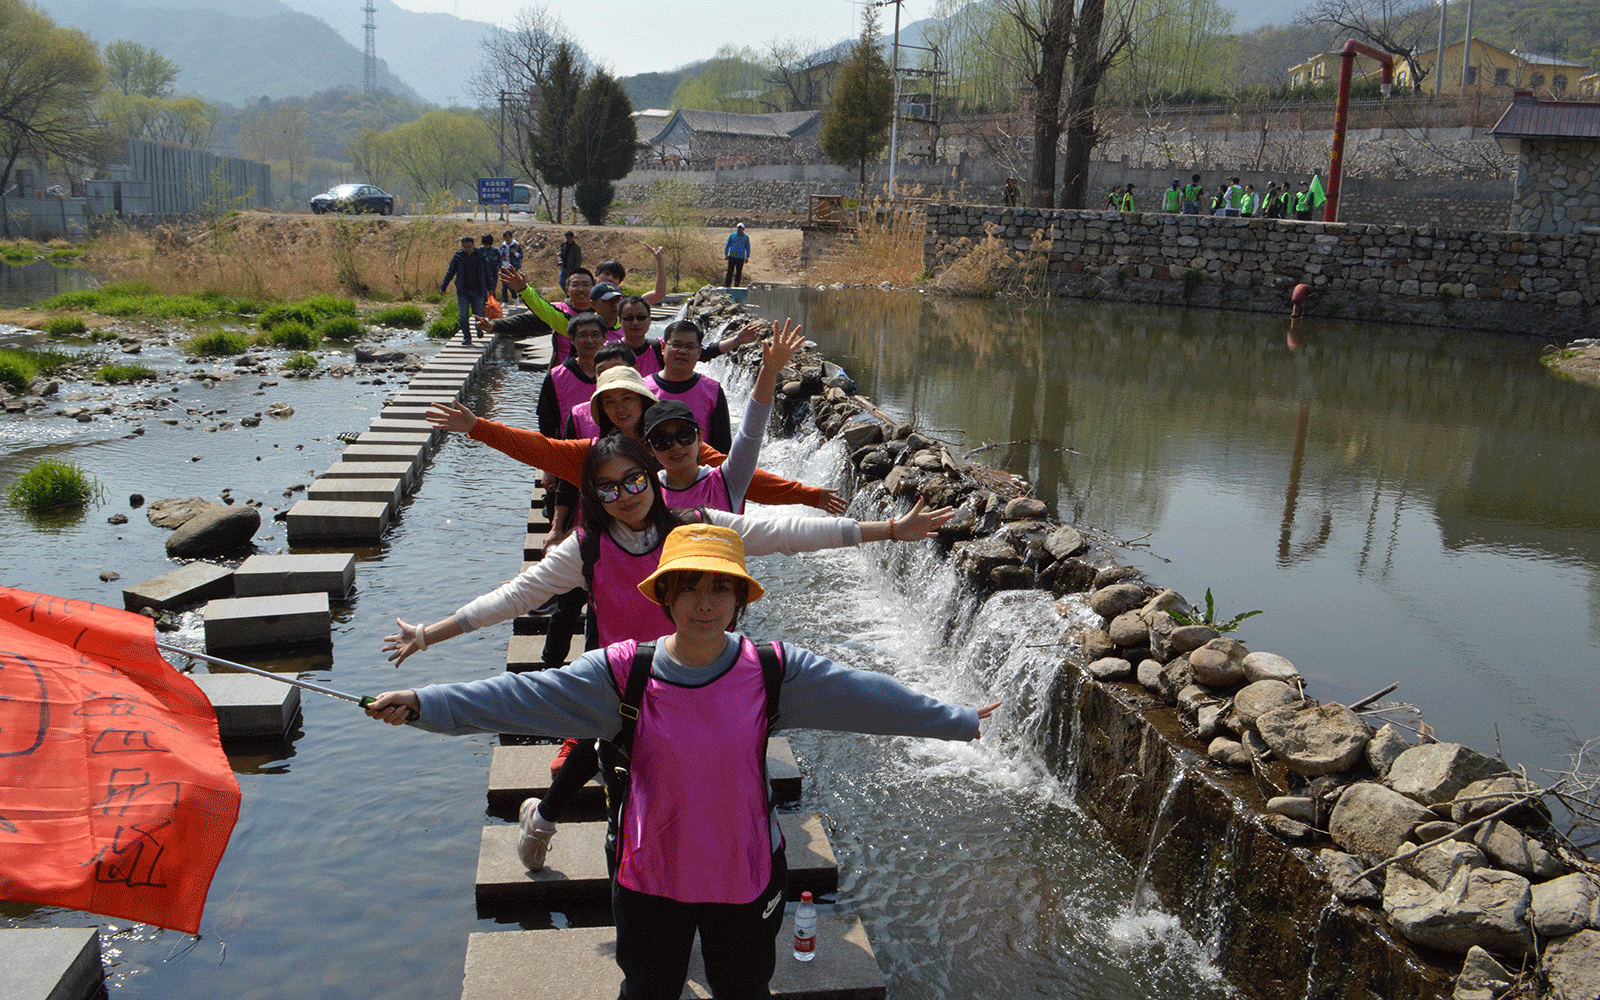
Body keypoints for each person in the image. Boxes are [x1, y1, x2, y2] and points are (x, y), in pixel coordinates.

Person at [367, 521, 998, 1000]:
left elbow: (867, 697)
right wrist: (426, 703)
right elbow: (518, 697)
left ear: (739, 599)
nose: (704, 604)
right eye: (689, 588)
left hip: (745, 882)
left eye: (720, 589)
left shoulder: (772, 670)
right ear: (665, 595)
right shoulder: (623, 673)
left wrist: (956, 719)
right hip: (649, 882)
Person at [648, 319, 731, 453]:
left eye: (690, 347)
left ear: (699, 352)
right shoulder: (645, 388)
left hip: (699, 470)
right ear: (663, 347)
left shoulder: (713, 391)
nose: (682, 351)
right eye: (676, 344)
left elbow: (722, 445)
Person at [441, 234, 492, 346]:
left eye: (469, 247)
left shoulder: (480, 256)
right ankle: (467, 337)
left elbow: (487, 273)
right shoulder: (458, 257)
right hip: (463, 291)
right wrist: (443, 286)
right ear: (462, 246)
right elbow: (450, 272)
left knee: (479, 313)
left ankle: (479, 329)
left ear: (473, 245)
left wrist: (490, 288)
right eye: (465, 247)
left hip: (478, 291)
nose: (467, 250)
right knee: (463, 315)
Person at [595, 245, 668, 306]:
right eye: (606, 274)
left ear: (619, 282)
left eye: (615, 277)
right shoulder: (585, 297)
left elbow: (658, 293)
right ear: (596, 275)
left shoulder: (624, 303)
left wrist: (660, 260)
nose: (610, 278)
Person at [723, 222, 750, 288]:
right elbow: (727, 245)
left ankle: (736, 286)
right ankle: (727, 286)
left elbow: (747, 247)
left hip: (740, 258)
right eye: (738, 227)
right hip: (732, 257)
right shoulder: (732, 236)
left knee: (738, 273)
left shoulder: (746, 237)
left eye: (741, 228)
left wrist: (747, 257)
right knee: (730, 272)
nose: (739, 229)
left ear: (743, 229)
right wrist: (726, 254)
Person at [500, 230, 523, 301]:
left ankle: (515, 298)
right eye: (505, 238)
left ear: (511, 237)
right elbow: (499, 255)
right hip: (504, 267)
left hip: (512, 267)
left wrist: (515, 253)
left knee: (511, 285)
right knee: (504, 286)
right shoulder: (503, 246)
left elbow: (521, 256)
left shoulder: (516, 245)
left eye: (508, 238)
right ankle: (505, 301)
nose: (507, 239)